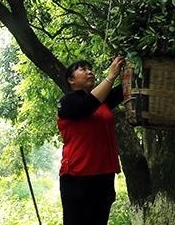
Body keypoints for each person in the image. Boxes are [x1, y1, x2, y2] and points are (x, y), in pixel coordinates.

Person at [56, 56, 126, 225]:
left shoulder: (103, 102)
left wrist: (129, 66)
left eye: (90, 69)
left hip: (104, 176)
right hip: (78, 177)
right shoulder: (67, 102)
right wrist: (110, 76)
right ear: (71, 80)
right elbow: (86, 106)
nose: (90, 72)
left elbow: (127, 88)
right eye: (82, 69)